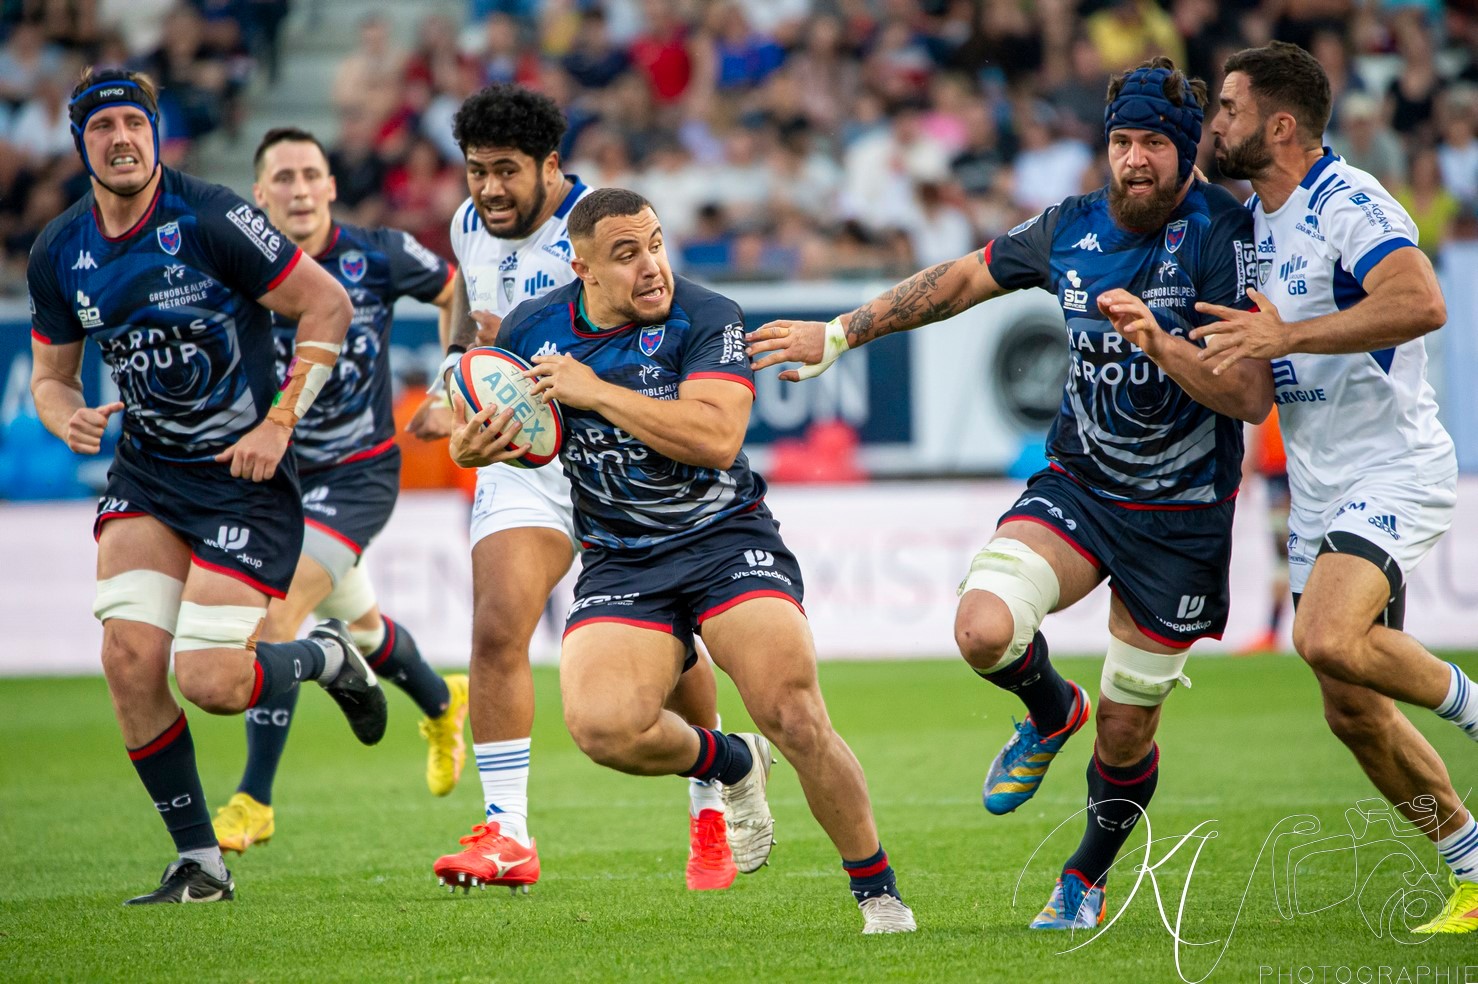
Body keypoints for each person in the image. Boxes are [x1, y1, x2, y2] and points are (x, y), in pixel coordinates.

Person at [748, 58, 1270, 930]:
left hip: (1183, 515)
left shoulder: (1223, 231)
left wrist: (1160, 343)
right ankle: (1047, 707)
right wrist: (839, 332)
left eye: (1151, 145)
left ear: (1185, 154)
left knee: (1128, 732)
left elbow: (1250, 397)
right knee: (983, 627)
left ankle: (1085, 878)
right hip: (1081, 487)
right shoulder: (1070, 226)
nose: (1133, 160)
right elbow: (957, 282)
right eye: (1120, 142)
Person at [450, 186, 917, 934]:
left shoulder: (708, 316)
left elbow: (714, 439)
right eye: (627, 254)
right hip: (621, 560)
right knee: (604, 729)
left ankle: (878, 893)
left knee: (793, 711)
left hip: (727, 542)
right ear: (583, 269)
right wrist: (473, 444)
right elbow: (499, 424)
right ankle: (731, 762)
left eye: (657, 244)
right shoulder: (534, 329)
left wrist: (595, 392)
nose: (652, 267)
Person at [26, 68, 384, 905]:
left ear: (157, 133)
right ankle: (202, 863)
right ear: (80, 142)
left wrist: (280, 422)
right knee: (128, 658)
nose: (122, 137)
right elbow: (50, 376)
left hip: (242, 479)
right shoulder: (61, 251)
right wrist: (63, 415)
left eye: (135, 123)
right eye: (104, 125)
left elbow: (327, 305)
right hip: (149, 475)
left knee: (214, 681)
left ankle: (327, 655)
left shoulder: (214, 217)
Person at [409, 83, 736, 893]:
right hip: (525, 460)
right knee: (496, 626)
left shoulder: (608, 231)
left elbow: (668, 327)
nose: (488, 190)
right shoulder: (468, 224)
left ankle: (711, 795)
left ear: (551, 168)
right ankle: (508, 831)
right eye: (476, 172)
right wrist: (457, 397)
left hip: (620, 452)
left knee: (677, 639)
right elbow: (468, 321)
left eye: (506, 172)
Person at [1201, 40, 1478, 935]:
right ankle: (1473, 866)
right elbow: (1253, 377)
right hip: (1321, 483)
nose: (1218, 123)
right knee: (1351, 710)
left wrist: (1292, 338)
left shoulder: (1345, 201)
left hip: (1393, 463)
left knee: (1324, 635)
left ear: (1280, 125)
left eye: (1230, 109)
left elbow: (1421, 300)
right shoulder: (1253, 225)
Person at [209, 127, 468, 856]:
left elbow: (458, 293)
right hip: (279, 478)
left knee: (278, 610)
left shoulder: (376, 255)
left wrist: (451, 380)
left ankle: (254, 801)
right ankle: (445, 704)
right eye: (281, 178)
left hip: (358, 473)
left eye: (309, 174)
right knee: (364, 630)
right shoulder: (238, 270)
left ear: (330, 186)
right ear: (259, 196)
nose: (297, 189)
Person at [1240, 408, 1291, 654]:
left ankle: (1274, 631)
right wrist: (1248, 468)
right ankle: (1272, 632)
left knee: (1295, 556)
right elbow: (1256, 423)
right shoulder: (1268, 394)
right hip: (1276, 474)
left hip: (1299, 472)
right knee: (1284, 558)